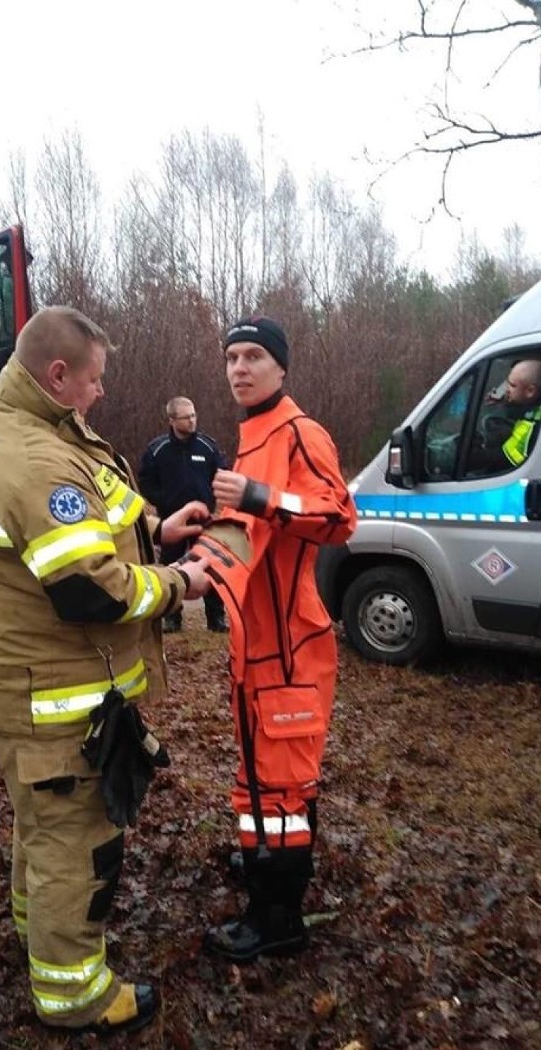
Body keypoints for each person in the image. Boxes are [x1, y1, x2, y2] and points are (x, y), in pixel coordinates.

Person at [0, 306, 211, 1033]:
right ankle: (76, 996)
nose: (102, 393)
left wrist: (160, 526)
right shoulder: (33, 457)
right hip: (51, 694)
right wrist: (178, 584)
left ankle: (36, 932)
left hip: (22, 683)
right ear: (59, 375)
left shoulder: (35, 421)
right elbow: (87, 589)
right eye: (94, 380)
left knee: (41, 822)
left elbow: (102, 496)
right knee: (78, 839)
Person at [192, 316, 357, 964]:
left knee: (281, 788)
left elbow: (338, 519)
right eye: (232, 356)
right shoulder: (250, 436)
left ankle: (278, 919)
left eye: (254, 355)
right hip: (254, 646)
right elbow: (249, 534)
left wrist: (261, 496)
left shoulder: (298, 432)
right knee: (264, 781)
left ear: (280, 368)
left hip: (291, 648)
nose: (239, 367)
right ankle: (267, 873)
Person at [138, 396, 229, 633]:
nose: (192, 421)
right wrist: (163, 500)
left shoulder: (207, 447)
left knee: (210, 565)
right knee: (171, 567)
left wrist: (212, 498)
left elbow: (222, 473)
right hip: (171, 522)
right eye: (186, 417)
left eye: (194, 415)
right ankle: (172, 618)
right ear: (171, 420)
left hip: (203, 520)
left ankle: (216, 617)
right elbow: (145, 481)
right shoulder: (157, 450)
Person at [484, 358, 541, 468]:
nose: (506, 389)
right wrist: (505, 400)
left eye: (512, 385)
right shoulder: (537, 407)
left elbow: (501, 460)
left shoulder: (531, 425)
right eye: (506, 383)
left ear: (530, 391)